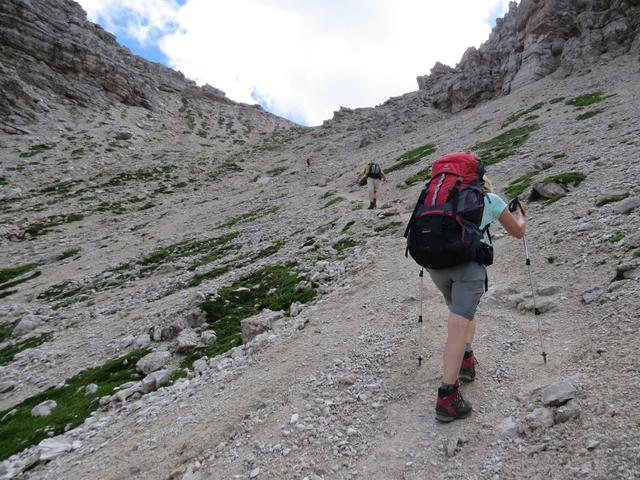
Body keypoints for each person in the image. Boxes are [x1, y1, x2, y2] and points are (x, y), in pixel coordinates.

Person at [429, 175, 527, 422]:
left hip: (436, 266)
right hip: (467, 266)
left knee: (461, 310)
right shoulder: (489, 200)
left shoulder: (440, 201)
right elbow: (517, 231)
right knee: (459, 320)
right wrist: (521, 215)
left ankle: (466, 360)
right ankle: (447, 396)